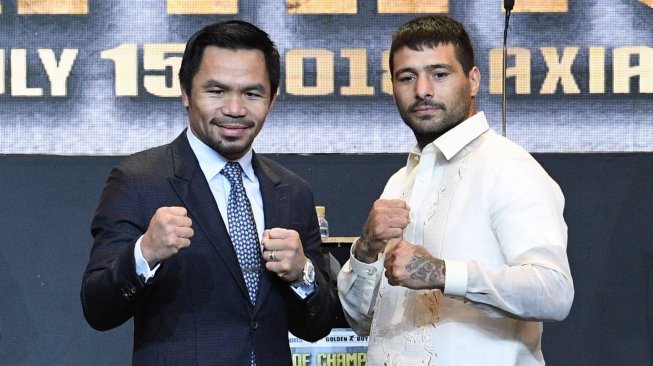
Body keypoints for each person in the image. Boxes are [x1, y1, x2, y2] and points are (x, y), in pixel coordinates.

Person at [81, 20, 338, 365]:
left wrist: (302, 273)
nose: (234, 109)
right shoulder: (139, 180)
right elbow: (98, 309)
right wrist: (145, 252)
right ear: (185, 92)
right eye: (216, 91)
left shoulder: (291, 191)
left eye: (251, 93)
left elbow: (317, 327)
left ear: (273, 98)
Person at [337, 15, 574, 365]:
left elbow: (554, 292)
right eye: (407, 77)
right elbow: (361, 321)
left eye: (439, 74)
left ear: (473, 80)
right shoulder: (399, 182)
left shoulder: (508, 167)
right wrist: (367, 249)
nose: (422, 90)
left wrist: (443, 273)